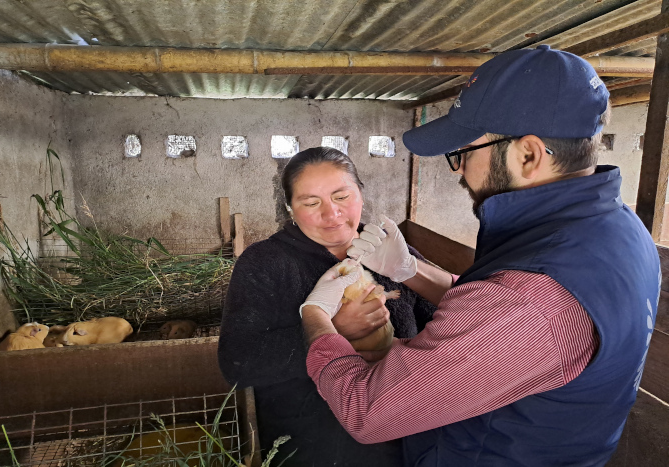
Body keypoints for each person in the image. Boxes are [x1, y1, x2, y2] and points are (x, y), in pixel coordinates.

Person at [300, 45, 660, 466]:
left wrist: (315, 315)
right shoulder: (619, 227)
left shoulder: (532, 302)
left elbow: (365, 412)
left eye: (465, 151)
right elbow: (495, 313)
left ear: (529, 155)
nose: (458, 169)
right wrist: (411, 271)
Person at [217, 147, 437, 466]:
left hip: (405, 424)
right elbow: (237, 363)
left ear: (361, 194)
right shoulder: (265, 262)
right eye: (311, 203)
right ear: (290, 208)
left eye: (342, 196)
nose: (331, 214)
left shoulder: (395, 253)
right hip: (312, 440)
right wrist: (332, 333)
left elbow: (447, 328)